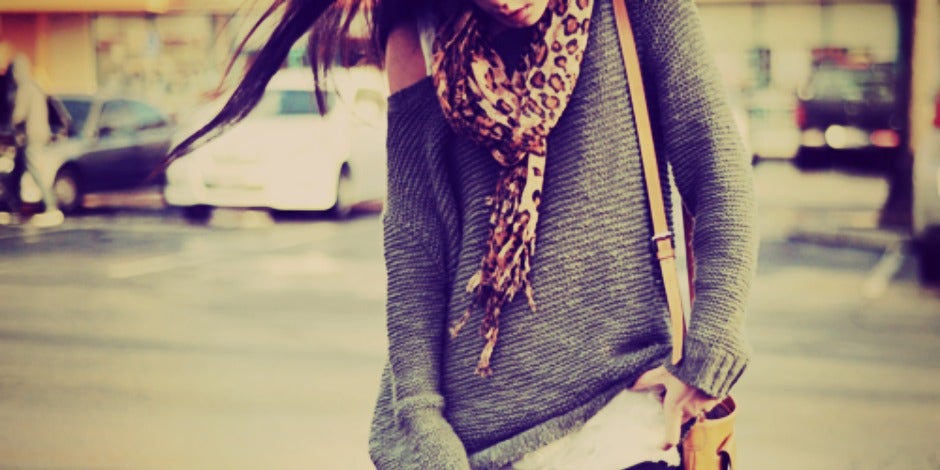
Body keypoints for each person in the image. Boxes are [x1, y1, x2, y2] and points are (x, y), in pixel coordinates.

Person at [167, 0, 758, 468]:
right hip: (472, 448)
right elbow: (416, 253)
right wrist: (423, 427)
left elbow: (720, 175)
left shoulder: (633, 10)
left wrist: (709, 355)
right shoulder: (422, 38)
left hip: (622, 424)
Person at [0, 41, 63, 228]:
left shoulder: (24, 88)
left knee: (35, 171)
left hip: (30, 137)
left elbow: (19, 115)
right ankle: (13, 208)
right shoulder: (36, 86)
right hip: (38, 135)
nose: (12, 75)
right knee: (17, 172)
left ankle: (52, 208)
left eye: (13, 71)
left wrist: (9, 126)